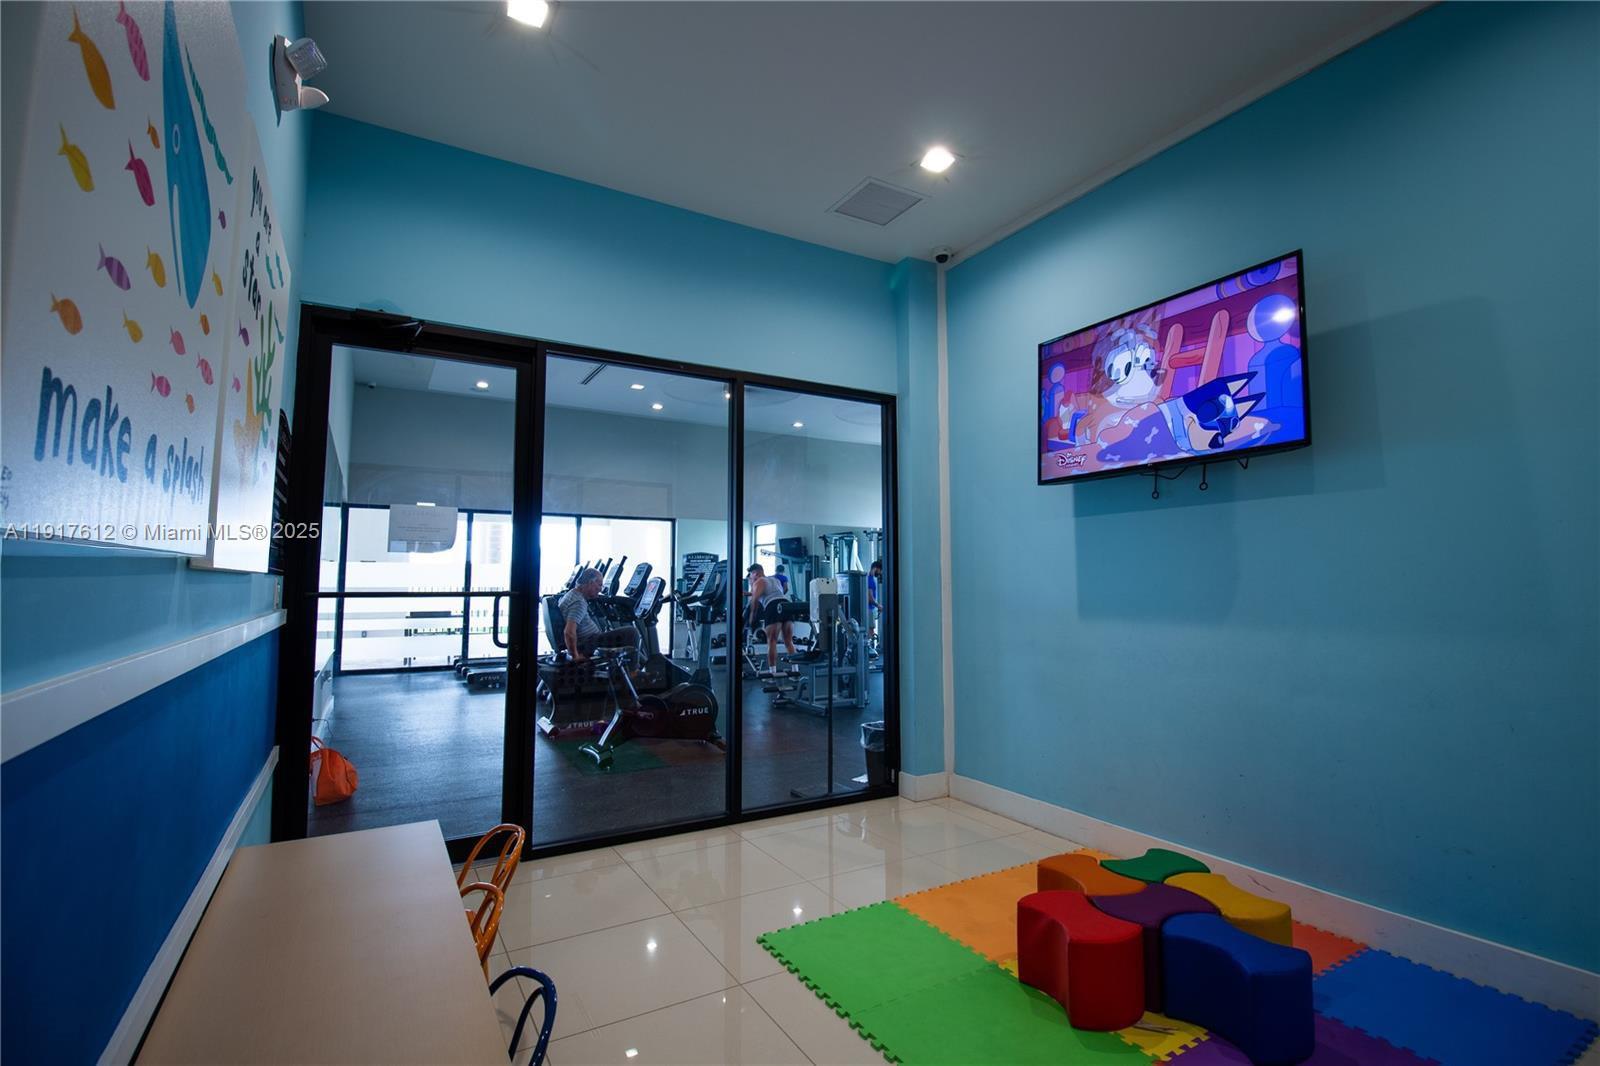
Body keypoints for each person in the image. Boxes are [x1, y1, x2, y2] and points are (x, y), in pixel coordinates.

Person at [558, 567, 634, 661]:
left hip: (589, 641)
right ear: (591, 583)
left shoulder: (571, 594)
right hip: (588, 643)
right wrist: (575, 656)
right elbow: (569, 632)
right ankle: (633, 668)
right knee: (632, 632)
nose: (600, 589)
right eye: (599, 585)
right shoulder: (579, 602)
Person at [746, 563, 796, 673]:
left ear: (756, 573)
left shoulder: (759, 581)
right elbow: (767, 592)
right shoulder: (775, 580)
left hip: (772, 606)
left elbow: (755, 599)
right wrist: (746, 593)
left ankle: (772, 673)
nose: (751, 577)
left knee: (772, 641)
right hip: (786, 606)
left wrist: (752, 616)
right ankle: (795, 671)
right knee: (788, 641)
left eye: (751, 574)